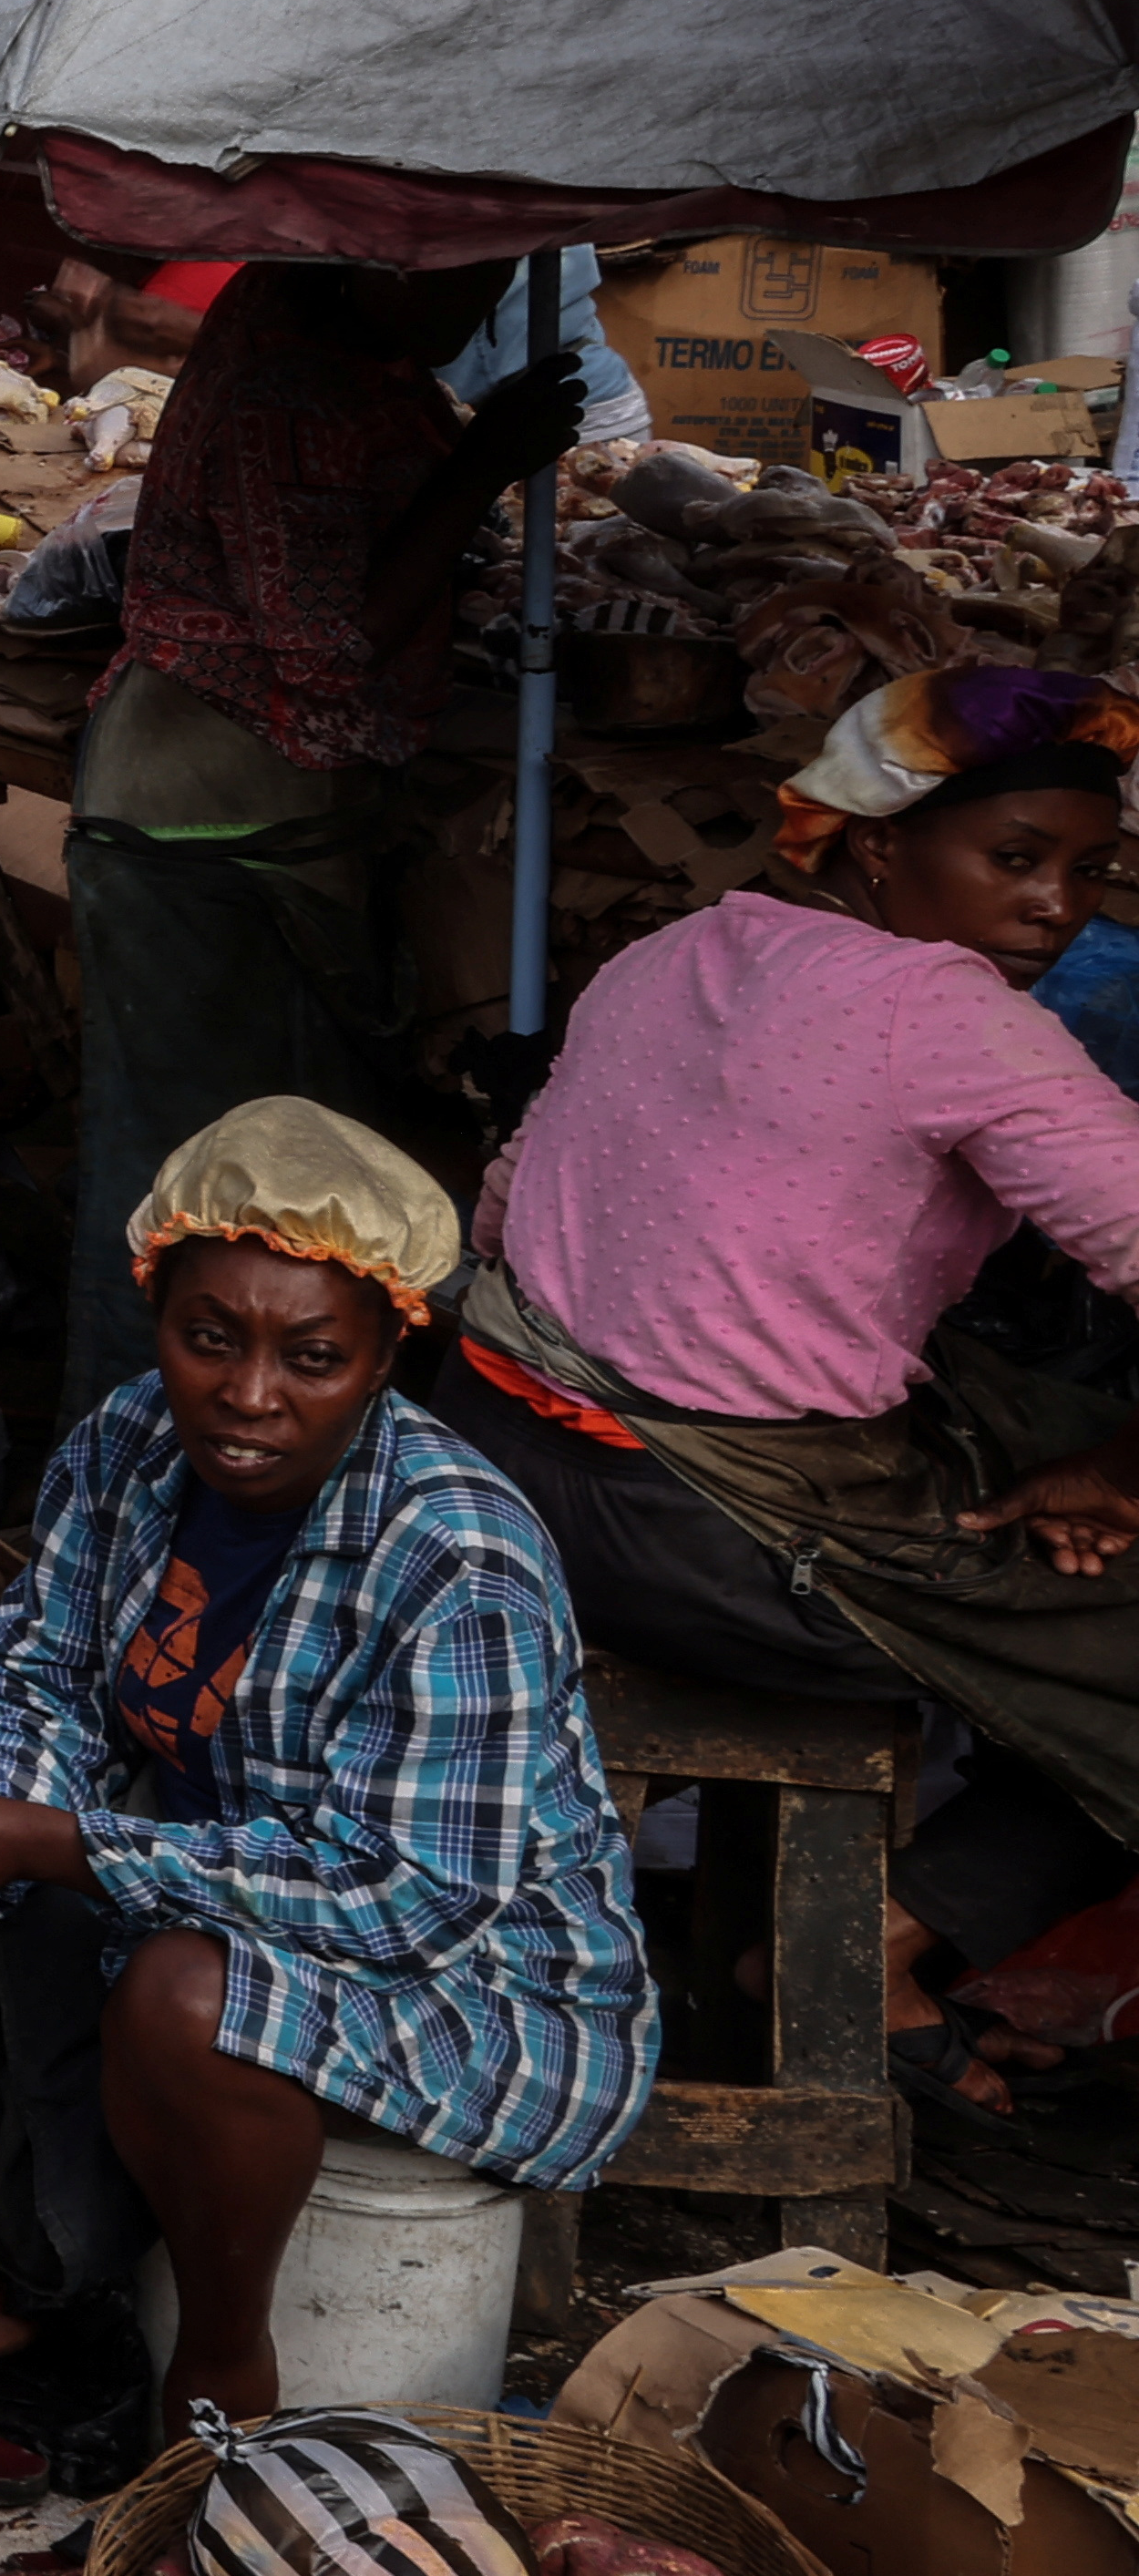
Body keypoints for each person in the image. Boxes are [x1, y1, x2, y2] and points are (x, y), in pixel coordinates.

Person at [0, 1103, 642, 2430]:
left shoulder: (461, 1553)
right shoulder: (130, 1444)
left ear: (392, 1350)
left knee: (186, 1992)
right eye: (208, 1338)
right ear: (152, 1303)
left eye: (316, 1356)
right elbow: (43, 1670)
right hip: (193, 1892)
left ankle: (222, 2369)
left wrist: (50, 1847)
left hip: (473, 1986)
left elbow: (411, 1898)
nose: (250, 1394)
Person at [420, 666, 1139, 2084]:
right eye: (1014, 859)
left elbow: (501, 1215)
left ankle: (860, 1934)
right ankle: (878, 1938)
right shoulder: (953, 1011)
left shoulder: (672, 950)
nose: (1058, 904)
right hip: (702, 1537)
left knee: (1030, 1462)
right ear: (879, 842)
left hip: (484, 1471)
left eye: (1088, 868)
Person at [59, 262, 564, 1416]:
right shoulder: (288, 383)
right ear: (372, 254)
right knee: (186, 1179)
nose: (474, 306)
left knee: (286, 1164)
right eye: (457, 276)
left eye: (495, 279)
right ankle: (131, 1461)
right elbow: (327, 646)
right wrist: (481, 463)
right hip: (205, 821)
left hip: (272, 805)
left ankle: (281, 1446)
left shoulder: (349, 346)